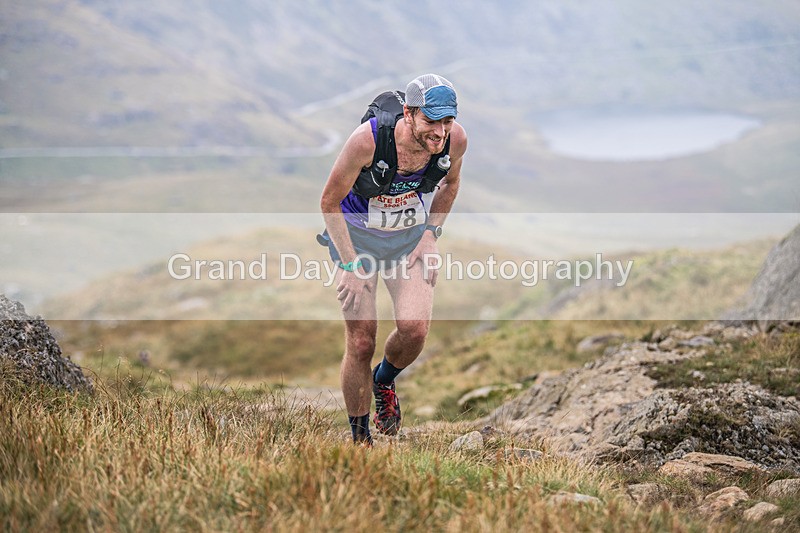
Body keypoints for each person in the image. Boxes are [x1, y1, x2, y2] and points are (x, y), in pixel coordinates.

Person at [319, 74, 467, 444]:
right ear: (409, 113)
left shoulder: (455, 140)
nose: (440, 131)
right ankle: (360, 440)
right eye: (431, 120)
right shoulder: (368, 141)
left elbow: (450, 184)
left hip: (408, 240)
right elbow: (329, 202)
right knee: (361, 342)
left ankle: (383, 380)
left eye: (447, 121)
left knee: (414, 330)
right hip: (358, 242)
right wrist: (351, 266)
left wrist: (431, 237)